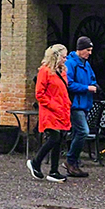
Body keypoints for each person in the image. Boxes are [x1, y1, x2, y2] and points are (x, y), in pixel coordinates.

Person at [29, 44, 72, 182]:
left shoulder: (61, 71)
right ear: (56, 57)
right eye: (64, 57)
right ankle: (36, 162)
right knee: (54, 138)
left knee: (58, 139)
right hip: (50, 111)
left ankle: (54, 171)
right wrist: (54, 106)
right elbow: (39, 94)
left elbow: (62, 91)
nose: (65, 59)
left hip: (61, 110)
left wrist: (65, 105)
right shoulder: (45, 71)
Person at [63, 36, 98, 177]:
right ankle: (71, 160)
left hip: (85, 103)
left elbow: (92, 78)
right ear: (80, 49)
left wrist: (94, 85)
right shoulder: (71, 64)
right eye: (88, 50)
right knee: (83, 131)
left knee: (78, 133)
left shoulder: (86, 64)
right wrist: (87, 88)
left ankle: (74, 164)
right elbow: (68, 83)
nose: (90, 53)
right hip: (75, 104)